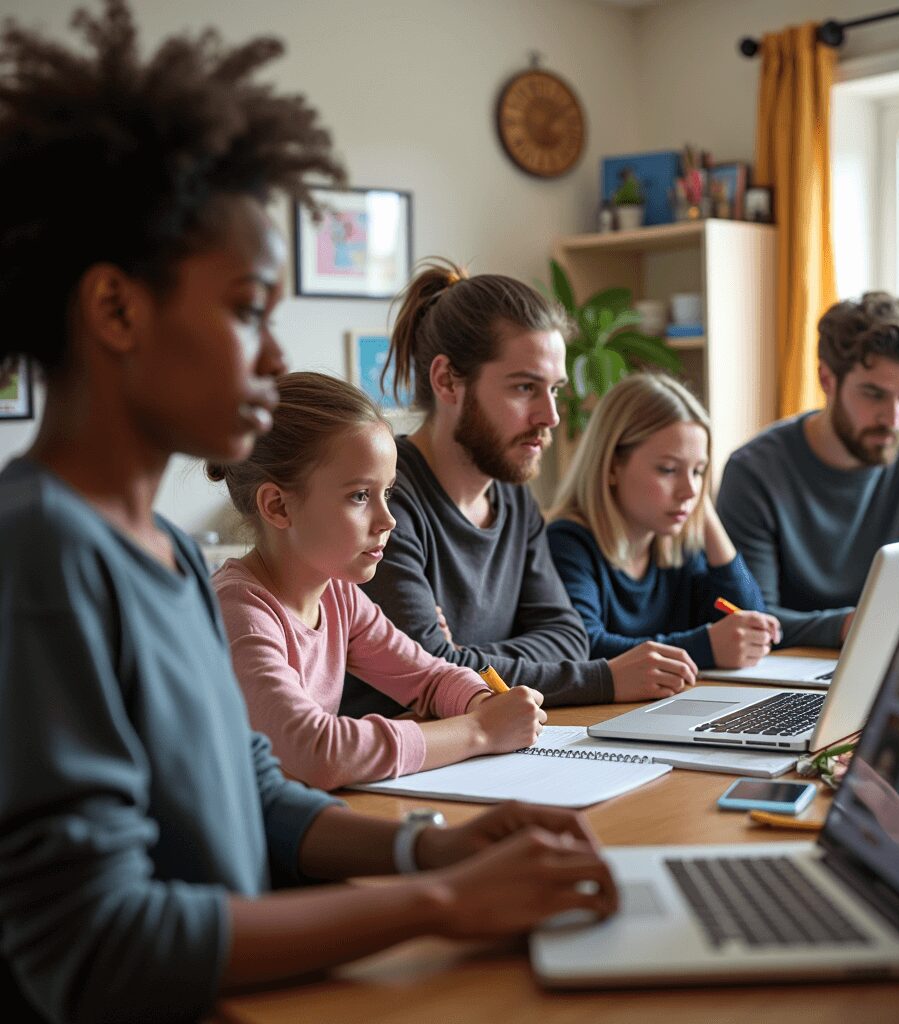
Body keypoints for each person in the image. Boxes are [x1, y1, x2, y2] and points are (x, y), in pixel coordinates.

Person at [0, 5, 615, 1022]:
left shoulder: (162, 554)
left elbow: (258, 791)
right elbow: (99, 944)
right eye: (248, 311)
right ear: (116, 310)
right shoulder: (41, 556)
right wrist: (437, 901)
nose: (279, 359)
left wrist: (432, 845)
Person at [339, 260, 698, 721]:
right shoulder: (387, 502)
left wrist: (465, 654)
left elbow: (569, 636)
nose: (550, 415)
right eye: (525, 387)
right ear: (447, 380)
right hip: (397, 771)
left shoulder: (511, 495)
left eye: (554, 390)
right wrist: (601, 677)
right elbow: (427, 675)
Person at [209, 371, 546, 790]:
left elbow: (431, 676)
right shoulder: (239, 613)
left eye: (386, 492)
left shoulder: (339, 598)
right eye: (359, 496)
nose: (388, 520)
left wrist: (481, 700)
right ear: (278, 506)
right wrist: (480, 730)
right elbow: (319, 752)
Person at [717, 291, 899, 649]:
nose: (893, 418)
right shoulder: (754, 472)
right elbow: (749, 620)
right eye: (873, 394)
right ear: (827, 380)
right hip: (789, 672)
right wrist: (851, 625)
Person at [546, 374, 780, 669]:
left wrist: (703, 511)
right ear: (612, 467)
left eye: (698, 471)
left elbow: (748, 622)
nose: (690, 490)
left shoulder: (677, 545)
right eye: (669, 469)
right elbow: (583, 647)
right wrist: (704, 648)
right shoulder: (567, 544)